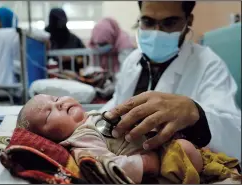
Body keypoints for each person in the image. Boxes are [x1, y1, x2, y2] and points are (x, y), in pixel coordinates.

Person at [100, 1, 241, 162]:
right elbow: (117, 101)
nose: (156, 32)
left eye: (169, 23)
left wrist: (196, 113)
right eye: (148, 21)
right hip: (122, 156)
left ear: (189, 21)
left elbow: (234, 132)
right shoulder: (133, 60)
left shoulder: (209, 64)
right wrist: (89, 119)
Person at [14, 94, 241, 184]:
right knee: (184, 151)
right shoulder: (82, 139)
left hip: (192, 136)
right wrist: (147, 163)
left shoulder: (91, 118)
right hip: (158, 160)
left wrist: (194, 111)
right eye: (49, 113)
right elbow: (106, 167)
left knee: (194, 151)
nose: (59, 103)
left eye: (55, 98)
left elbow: (230, 119)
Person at [45, 8, 86, 73]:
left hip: (71, 77)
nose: (61, 25)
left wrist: (73, 58)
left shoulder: (74, 40)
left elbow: (84, 58)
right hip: (49, 78)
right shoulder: (43, 39)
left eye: (63, 21)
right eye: (58, 22)